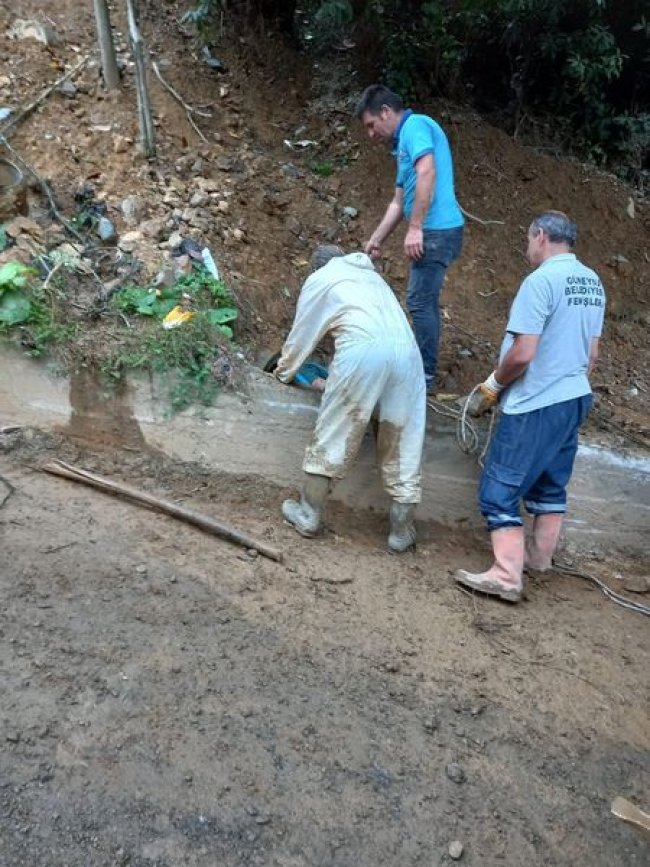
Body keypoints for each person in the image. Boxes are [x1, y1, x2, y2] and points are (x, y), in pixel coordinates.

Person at [456, 211, 606, 603]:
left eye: (528, 238)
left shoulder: (540, 282)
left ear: (540, 236)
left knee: (498, 489)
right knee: (549, 485)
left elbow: (523, 353)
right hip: (574, 397)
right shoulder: (592, 281)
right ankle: (539, 559)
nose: (527, 247)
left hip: (537, 401)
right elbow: (593, 355)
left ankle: (506, 575)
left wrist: (494, 384)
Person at [274, 244, 427, 552]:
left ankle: (308, 513)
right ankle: (401, 531)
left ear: (318, 267)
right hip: (408, 357)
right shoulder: (375, 280)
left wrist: (284, 371)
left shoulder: (322, 279)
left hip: (363, 351)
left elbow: (303, 333)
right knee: (403, 441)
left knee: (334, 432)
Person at [356, 84, 464, 393]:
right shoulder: (403, 143)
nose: (371, 134)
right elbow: (397, 201)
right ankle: (421, 371)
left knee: (419, 301)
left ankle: (424, 376)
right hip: (434, 230)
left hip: (437, 230)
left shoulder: (416, 126)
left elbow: (427, 170)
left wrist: (416, 227)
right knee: (420, 299)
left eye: (371, 125)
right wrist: (376, 239)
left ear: (386, 112)